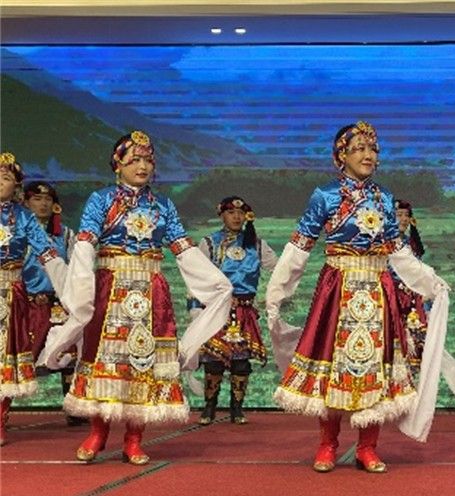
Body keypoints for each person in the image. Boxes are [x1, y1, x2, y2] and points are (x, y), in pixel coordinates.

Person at [39, 131, 232, 465]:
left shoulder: (162, 205)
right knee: (104, 359)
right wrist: (81, 291)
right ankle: (98, 432)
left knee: (144, 363)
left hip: (151, 292)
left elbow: (182, 248)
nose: (143, 167)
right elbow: (85, 245)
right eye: (134, 160)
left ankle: (133, 439)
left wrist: (216, 283)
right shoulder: (101, 200)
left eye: (148, 161)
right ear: (118, 165)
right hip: (110, 289)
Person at [266, 121, 448, 474]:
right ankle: (327, 444)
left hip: (378, 289)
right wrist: (277, 292)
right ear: (341, 156)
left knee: (375, 366)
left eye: (373, 149)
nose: (368, 155)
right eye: (359, 148)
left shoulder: (384, 198)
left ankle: (367, 447)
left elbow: (398, 251)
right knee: (332, 364)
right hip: (338, 289)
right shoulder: (325, 196)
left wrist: (430, 282)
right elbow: (299, 248)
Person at [191, 196, 277, 425]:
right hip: (217, 311)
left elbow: (278, 270)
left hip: (244, 311)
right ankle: (209, 407)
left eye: (240, 213)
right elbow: (196, 279)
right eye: (231, 213)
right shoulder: (209, 243)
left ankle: (236, 408)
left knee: (241, 363)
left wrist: (272, 296)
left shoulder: (256, 244)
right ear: (221, 215)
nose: (236, 217)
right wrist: (195, 309)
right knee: (213, 361)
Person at [0, 154, 67, 446]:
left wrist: (67, 286)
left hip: (10, 293)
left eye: (5, 177)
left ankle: (0, 418)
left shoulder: (23, 217)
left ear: (16, 186)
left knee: (6, 357)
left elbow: (46, 252)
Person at [22, 181, 83, 426]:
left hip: (58, 304)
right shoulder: (17, 234)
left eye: (47, 199)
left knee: (67, 351)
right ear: (26, 203)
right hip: (26, 304)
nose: (43, 204)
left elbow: (76, 269)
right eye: (37, 199)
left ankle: (72, 406)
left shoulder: (65, 235)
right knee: (18, 354)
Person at [392, 200, 428, 377]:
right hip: (391, 296)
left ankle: (409, 384)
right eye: (399, 215)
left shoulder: (410, 243)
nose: (404, 219)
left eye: (407, 215)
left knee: (413, 342)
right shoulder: (384, 243)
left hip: (411, 299)